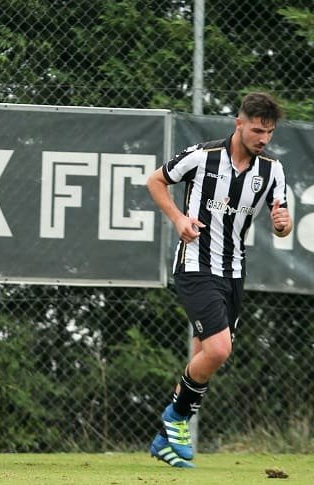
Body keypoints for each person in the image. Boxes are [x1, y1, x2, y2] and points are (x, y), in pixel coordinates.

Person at [145, 92, 292, 468]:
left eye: (269, 132)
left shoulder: (272, 170)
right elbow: (156, 181)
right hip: (196, 265)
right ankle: (175, 418)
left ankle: (163, 441)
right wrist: (179, 219)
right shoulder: (203, 156)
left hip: (234, 272)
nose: (263, 138)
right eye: (257, 130)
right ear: (239, 124)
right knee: (219, 349)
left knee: (205, 357)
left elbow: (282, 221)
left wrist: (282, 224)